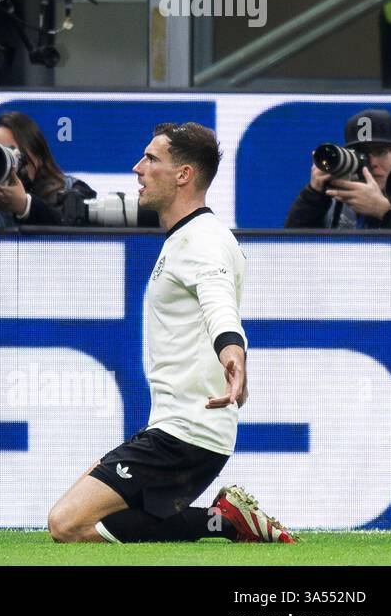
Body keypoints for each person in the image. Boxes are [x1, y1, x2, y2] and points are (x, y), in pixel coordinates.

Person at [47, 122, 296, 545]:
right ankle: (224, 518)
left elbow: (219, 302)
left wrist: (232, 351)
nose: (137, 168)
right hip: (176, 428)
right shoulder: (187, 236)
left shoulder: (202, 240)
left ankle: (225, 521)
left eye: (151, 159)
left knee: (66, 524)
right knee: (92, 503)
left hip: (187, 434)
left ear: (184, 175)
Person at [284, 108, 391, 229]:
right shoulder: (340, 195)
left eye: (380, 152)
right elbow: (292, 247)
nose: (372, 162)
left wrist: (383, 210)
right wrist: (313, 194)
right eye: (362, 155)